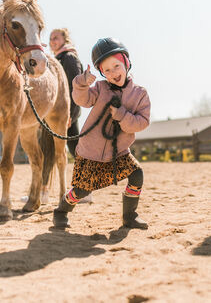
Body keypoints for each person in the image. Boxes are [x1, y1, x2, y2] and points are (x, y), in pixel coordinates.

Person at [53, 37, 151, 229]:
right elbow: (82, 99)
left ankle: (130, 215)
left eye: (116, 66)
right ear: (101, 73)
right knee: (81, 190)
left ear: (126, 63)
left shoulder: (140, 94)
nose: (113, 72)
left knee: (137, 174)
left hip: (119, 151)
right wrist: (82, 83)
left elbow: (142, 122)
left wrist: (122, 116)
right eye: (107, 70)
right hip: (91, 151)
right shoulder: (100, 89)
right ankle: (61, 210)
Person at [49, 28, 83, 156]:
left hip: (67, 113)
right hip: (58, 112)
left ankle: (90, 174)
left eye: (56, 38)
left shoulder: (69, 58)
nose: (52, 41)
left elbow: (75, 87)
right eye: (50, 39)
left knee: (76, 150)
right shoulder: (58, 59)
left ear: (65, 39)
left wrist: (70, 115)